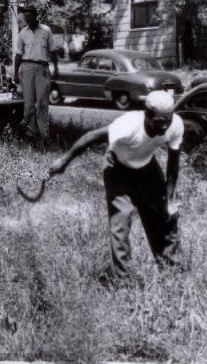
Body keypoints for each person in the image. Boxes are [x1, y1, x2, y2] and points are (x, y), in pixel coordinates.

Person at [48, 90, 183, 277]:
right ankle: (124, 280)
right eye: (159, 122)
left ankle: (171, 272)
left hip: (148, 168)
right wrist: (63, 161)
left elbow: (173, 162)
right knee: (121, 220)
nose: (164, 128)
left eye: (167, 121)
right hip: (118, 169)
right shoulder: (126, 127)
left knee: (164, 216)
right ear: (147, 114)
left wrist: (170, 198)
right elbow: (91, 137)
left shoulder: (174, 125)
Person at [13, 5, 59, 139]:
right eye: (25, 17)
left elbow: (53, 51)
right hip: (26, 68)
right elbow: (18, 55)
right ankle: (30, 134)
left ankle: (44, 135)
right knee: (28, 103)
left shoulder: (46, 31)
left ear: (36, 16)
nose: (27, 19)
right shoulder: (23, 33)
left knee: (42, 102)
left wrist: (56, 68)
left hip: (42, 69)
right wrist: (16, 73)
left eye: (29, 16)